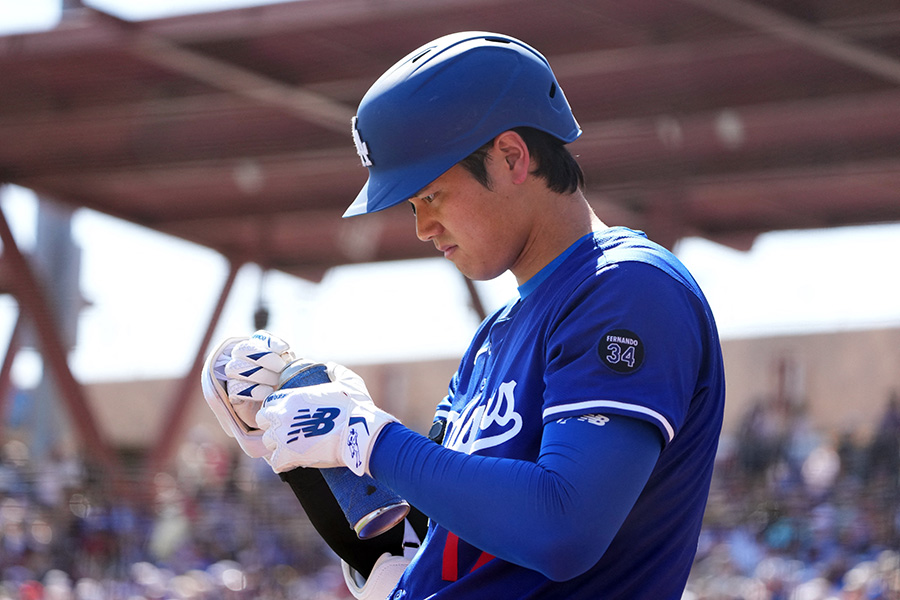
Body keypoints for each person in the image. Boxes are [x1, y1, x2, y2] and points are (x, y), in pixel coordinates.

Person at [206, 31, 726, 599]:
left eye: (430, 195)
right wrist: (307, 458)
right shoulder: (493, 337)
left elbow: (564, 526)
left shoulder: (627, 287)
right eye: (412, 205)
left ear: (511, 157)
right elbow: (420, 555)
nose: (421, 228)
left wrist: (366, 438)